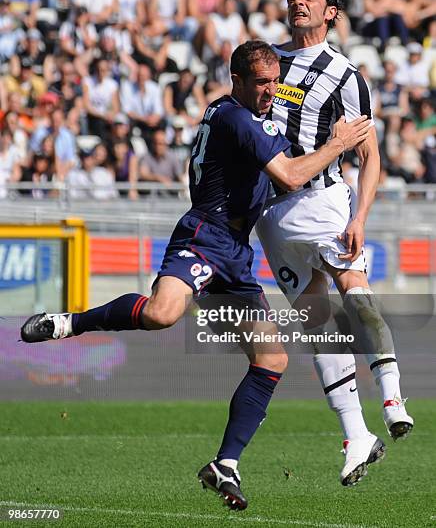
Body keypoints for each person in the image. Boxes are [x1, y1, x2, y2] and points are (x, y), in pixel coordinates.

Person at [20, 40, 369, 511]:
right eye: (261, 83)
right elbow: (288, 174)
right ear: (237, 81)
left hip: (236, 251)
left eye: (275, 82)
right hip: (206, 234)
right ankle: (70, 324)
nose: (271, 91)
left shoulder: (247, 116)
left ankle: (225, 463)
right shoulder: (234, 117)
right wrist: (339, 144)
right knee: (163, 314)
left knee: (272, 359)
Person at [255, 0, 414, 488]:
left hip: (324, 202)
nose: (299, 1)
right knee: (318, 326)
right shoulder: (267, 66)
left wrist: (360, 218)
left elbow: (369, 159)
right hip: (274, 216)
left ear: (330, 12)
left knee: (358, 297)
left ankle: (391, 397)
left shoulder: (345, 75)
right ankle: (356, 437)